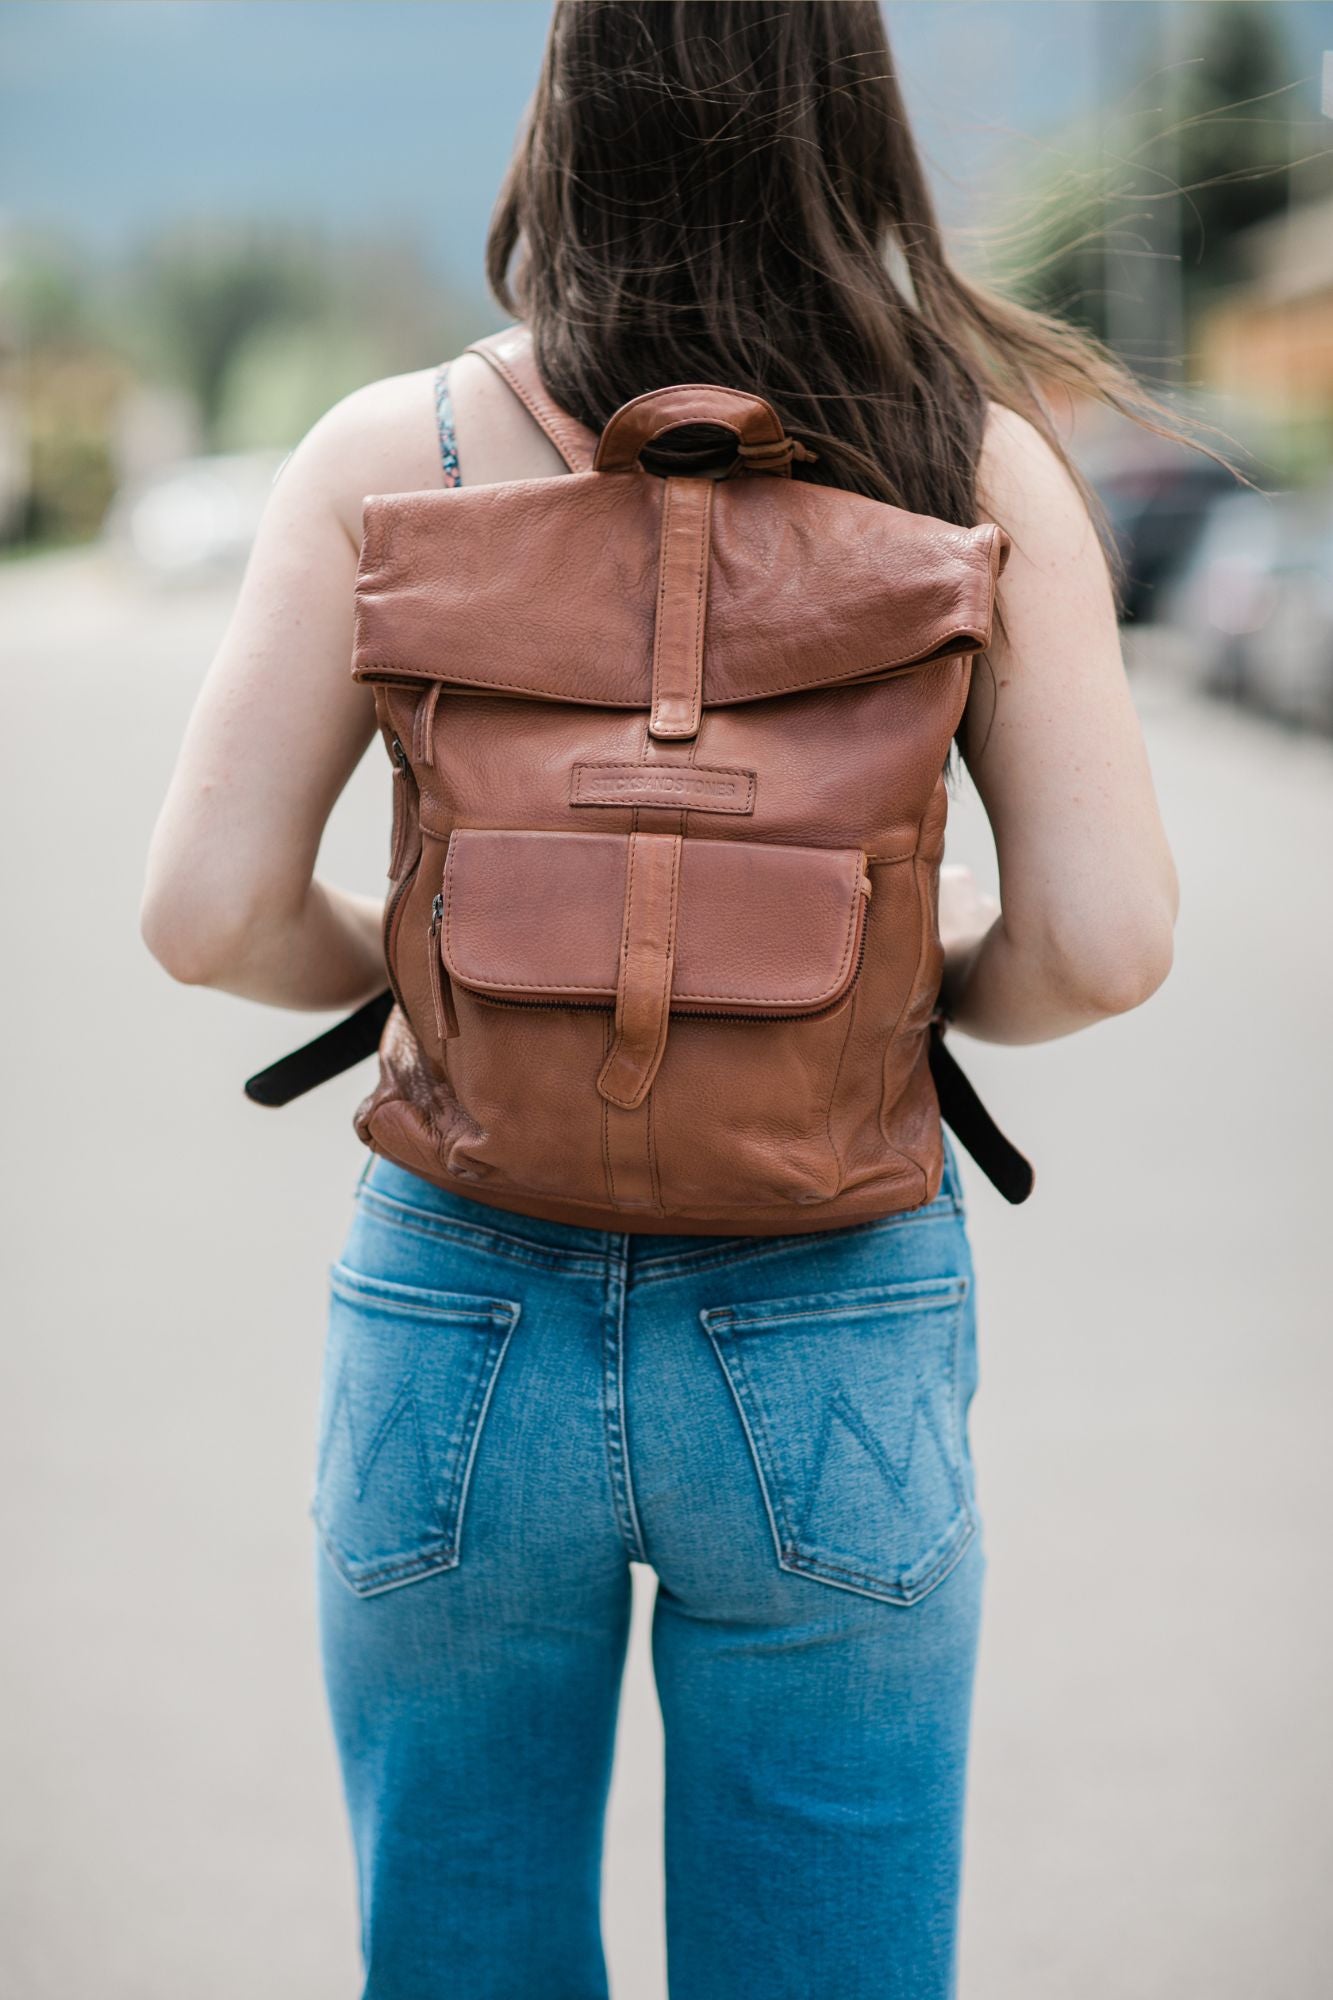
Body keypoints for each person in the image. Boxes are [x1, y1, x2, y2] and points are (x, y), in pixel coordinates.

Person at [140, 5, 1180, 1995]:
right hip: (826, 1314)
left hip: (460, 1304)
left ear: (566, 113)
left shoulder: (394, 451)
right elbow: (1107, 941)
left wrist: (464, 964)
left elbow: (203, 911)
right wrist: (863, 988)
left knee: (459, 1949)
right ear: (847, 116)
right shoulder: (969, 457)